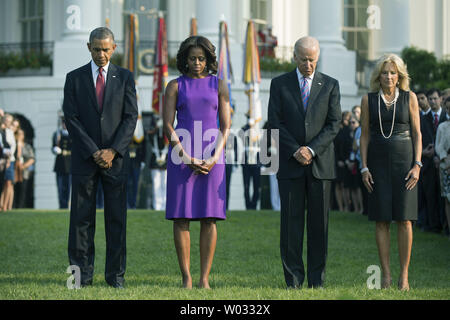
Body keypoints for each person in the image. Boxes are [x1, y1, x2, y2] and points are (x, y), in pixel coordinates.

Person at [62, 27, 138, 288]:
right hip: (85, 159)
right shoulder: (74, 78)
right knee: (80, 221)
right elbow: (70, 118)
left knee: (116, 220)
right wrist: (94, 151)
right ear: (88, 47)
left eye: (106, 49)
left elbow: (131, 117)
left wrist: (113, 150)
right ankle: (78, 278)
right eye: (97, 49)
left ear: (114, 48)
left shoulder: (126, 77)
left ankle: (115, 277)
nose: (102, 54)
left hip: (116, 161)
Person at [267, 36, 342, 289]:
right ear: (294, 57)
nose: (308, 64)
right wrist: (295, 150)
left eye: (312, 59)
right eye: (303, 59)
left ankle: (317, 281)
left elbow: (334, 125)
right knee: (291, 225)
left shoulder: (331, 85)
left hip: (320, 166)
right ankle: (293, 281)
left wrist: (311, 149)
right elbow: (274, 122)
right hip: (289, 164)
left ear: (317, 58)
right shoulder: (279, 84)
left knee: (319, 227)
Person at [163, 35, 231, 289]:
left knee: (209, 218)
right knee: (181, 218)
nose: (197, 63)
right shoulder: (174, 86)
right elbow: (168, 124)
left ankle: (204, 279)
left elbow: (226, 127)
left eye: (201, 58)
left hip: (213, 155)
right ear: (184, 59)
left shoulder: (219, 85)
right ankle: (186, 279)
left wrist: (214, 157)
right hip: (181, 156)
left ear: (208, 59)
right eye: (192, 58)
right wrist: (185, 156)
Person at [360, 53, 422, 291]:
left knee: (405, 220)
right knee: (382, 219)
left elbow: (417, 134)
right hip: (377, 164)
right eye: (385, 72)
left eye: (393, 72)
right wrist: (364, 167)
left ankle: (404, 276)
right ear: (379, 76)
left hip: (405, 163)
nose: (388, 76)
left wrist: (417, 165)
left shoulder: (410, 98)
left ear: (400, 76)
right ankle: (385, 275)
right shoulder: (368, 100)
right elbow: (364, 135)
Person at [420, 88, 446, 233]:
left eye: (435, 98)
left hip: (442, 161)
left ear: (441, 99)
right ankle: (433, 224)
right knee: (430, 194)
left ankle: (444, 224)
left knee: (443, 196)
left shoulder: (445, 116)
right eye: (430, 99)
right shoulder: (423, 118)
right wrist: (425, 151)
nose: (432, 101)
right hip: (428, 162)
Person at [435, 97, 450, 239]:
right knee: (447, 198)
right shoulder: (442, 126)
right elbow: (438, 146)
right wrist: (445, 158)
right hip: (446, 165)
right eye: (448, 108)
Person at [147, 111, 168, 210]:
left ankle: (166, 206)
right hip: (155, 157)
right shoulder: (154, 121)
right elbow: (149, 134)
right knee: (156, 185)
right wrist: (157, 127)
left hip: (167, 157)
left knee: (165, 184)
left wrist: (165, 125)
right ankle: (157, 207)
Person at [52, 117, 72, 209]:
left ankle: (66, 204)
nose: (64, 125)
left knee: (67, 187)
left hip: (69, 164)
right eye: (63, 123)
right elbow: (53, 146)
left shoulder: (72, 134)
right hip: (59, 164)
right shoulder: (57, 134)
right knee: (60, 187)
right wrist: (55, 149)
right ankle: (61, 205)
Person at [241, 119, 261, 210]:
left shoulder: (259, 130)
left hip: (256, 162)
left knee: (256, 186)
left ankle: (254, 205)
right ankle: (248, 206)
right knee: (246, 186)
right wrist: (249, 126)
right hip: (246, 163)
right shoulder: (245, 129)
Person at [13, 129, 35, 208]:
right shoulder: (14, 145)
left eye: (21, 134)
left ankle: (20, 207)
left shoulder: (27, 146)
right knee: (14, 189)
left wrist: (24, 166)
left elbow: (32, 158)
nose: (19, 136)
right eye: (18, 134)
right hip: (15, 170)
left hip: (24, 172)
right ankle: (13, 206)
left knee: (23, 190)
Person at [0, 114, 17, 212]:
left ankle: (5, 205)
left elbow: (12, 146)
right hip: (2, 159)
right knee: (3, 182)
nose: (8, 123)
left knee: (8, 182)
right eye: (7, 121)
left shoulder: (9, 132)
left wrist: (9, 158)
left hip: (9, 160)